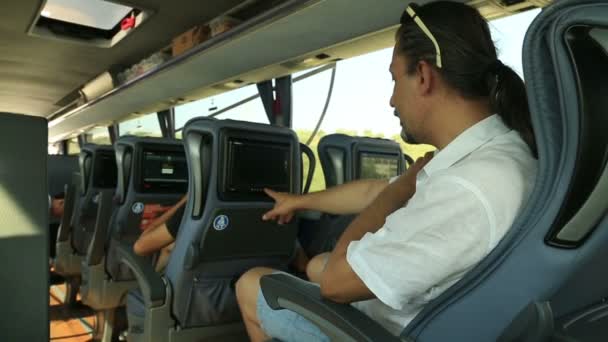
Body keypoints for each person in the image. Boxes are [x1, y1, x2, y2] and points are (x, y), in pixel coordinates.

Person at [234, 2, 539, 341]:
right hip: (421, 316)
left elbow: (336, 282)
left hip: (381, 331)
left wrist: (399, 189)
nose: (391, 100)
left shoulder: (468, 186)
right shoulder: (496, 156)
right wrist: (299, 201)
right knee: (316, 264)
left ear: (423, 76)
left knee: (254, 284)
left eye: (395, 79)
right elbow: (372, 193)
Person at [133, 195, 187, 271]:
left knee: (168, 246)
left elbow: (140, 247)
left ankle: (157, 280)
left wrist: (183, 202)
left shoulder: (188, 211)